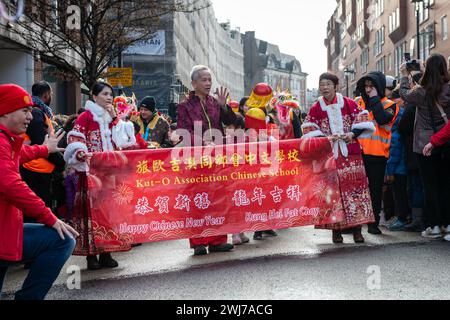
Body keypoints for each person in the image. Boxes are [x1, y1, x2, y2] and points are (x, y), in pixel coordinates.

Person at [0, 84, 78, 300]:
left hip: (5, 228)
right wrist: (50, 217)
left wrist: (45, 148)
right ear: (5, 111)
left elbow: (20, 154)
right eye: (25, 111)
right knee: (61, 239)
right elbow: (9, 184)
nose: (30, 116)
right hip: (3, 230)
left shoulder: (7, 140)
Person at [66, 81, 135, 269]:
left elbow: (123, 141)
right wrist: (80, 153)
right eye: (105, 94)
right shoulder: (85, 117)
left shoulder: (111, 117)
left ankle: (107, 252)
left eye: (110, 94)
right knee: (91, 215)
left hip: (109, 174)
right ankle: (91, 256)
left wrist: (115, 120)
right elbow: (75, 138)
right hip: (90, 174)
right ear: (94, 96)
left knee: (108, 214)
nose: (109, 97)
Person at [303, 73, 376, 244]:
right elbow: (308, 128)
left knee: (355, 192)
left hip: (350, 154)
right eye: (322, 84)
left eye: (328, 84)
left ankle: (358, 231)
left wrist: (352, 133)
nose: (325, 87)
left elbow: (362, 120)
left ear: (336, 86)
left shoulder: (349, 103)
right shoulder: (315, 108)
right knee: (331, 194)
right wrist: (325, 138)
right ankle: (336, 232)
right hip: (329, 157)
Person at [177, 65, 236, 256]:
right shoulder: (185, 106)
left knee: (218, 198)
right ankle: (199, 242)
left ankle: (218, 240)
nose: (208, 83)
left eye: (210, 79)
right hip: (195, 159)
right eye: (204, 79)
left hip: (216, 158)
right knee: (198, 200)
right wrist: (203, 143)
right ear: (193, 83)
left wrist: (223, 106)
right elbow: (182, 132)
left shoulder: (214, 102)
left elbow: (231, 121)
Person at [401, 54, 450, 239]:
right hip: (446, 141)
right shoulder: (448, 89)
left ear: (426, 69)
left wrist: (406, 75)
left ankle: (434, 225)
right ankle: (448, 224)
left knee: (429, 186)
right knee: (445, 184)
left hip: (424, 144)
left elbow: (404, 95)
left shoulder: (420, 92)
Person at [356, 72, 399, 235]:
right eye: (366, 86)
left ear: (379, 87)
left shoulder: (390, 105)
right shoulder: (358, 102)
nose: (368, 89)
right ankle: (355, 225)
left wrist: (374, 99)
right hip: (358, 153)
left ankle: (373, 224)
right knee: (357, 190)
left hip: (377, 155)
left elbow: (382, 119)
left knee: (374, 191)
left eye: (372, 86)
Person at [20, 81, 65, 216]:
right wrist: (61, 164)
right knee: (38, 215)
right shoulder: (36, 113)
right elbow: (42, 144)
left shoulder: (38, 112)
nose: (28, 116)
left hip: (35, 168)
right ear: (46, 95)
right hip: (35, 172)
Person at [398, 70, 425, 232]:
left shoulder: (414, 103)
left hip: (415, 149)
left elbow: (402, 128)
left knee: (416, 185)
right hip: (433, 146)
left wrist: (404, 76)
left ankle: (418, 220)